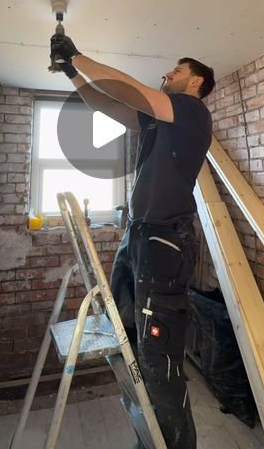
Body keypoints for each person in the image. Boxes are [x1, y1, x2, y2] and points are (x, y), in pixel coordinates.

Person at [50, 34, 215, 449]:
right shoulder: (159, 123)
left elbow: (129, 88)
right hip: (138, 238)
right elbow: (110, 104)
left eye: (177, 70)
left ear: (196, 82)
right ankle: (149, 441)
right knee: (127, 342)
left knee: (159, 363)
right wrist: (72, 73)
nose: (167, 74)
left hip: (164, 243)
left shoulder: (192, 112)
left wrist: (79, 55)